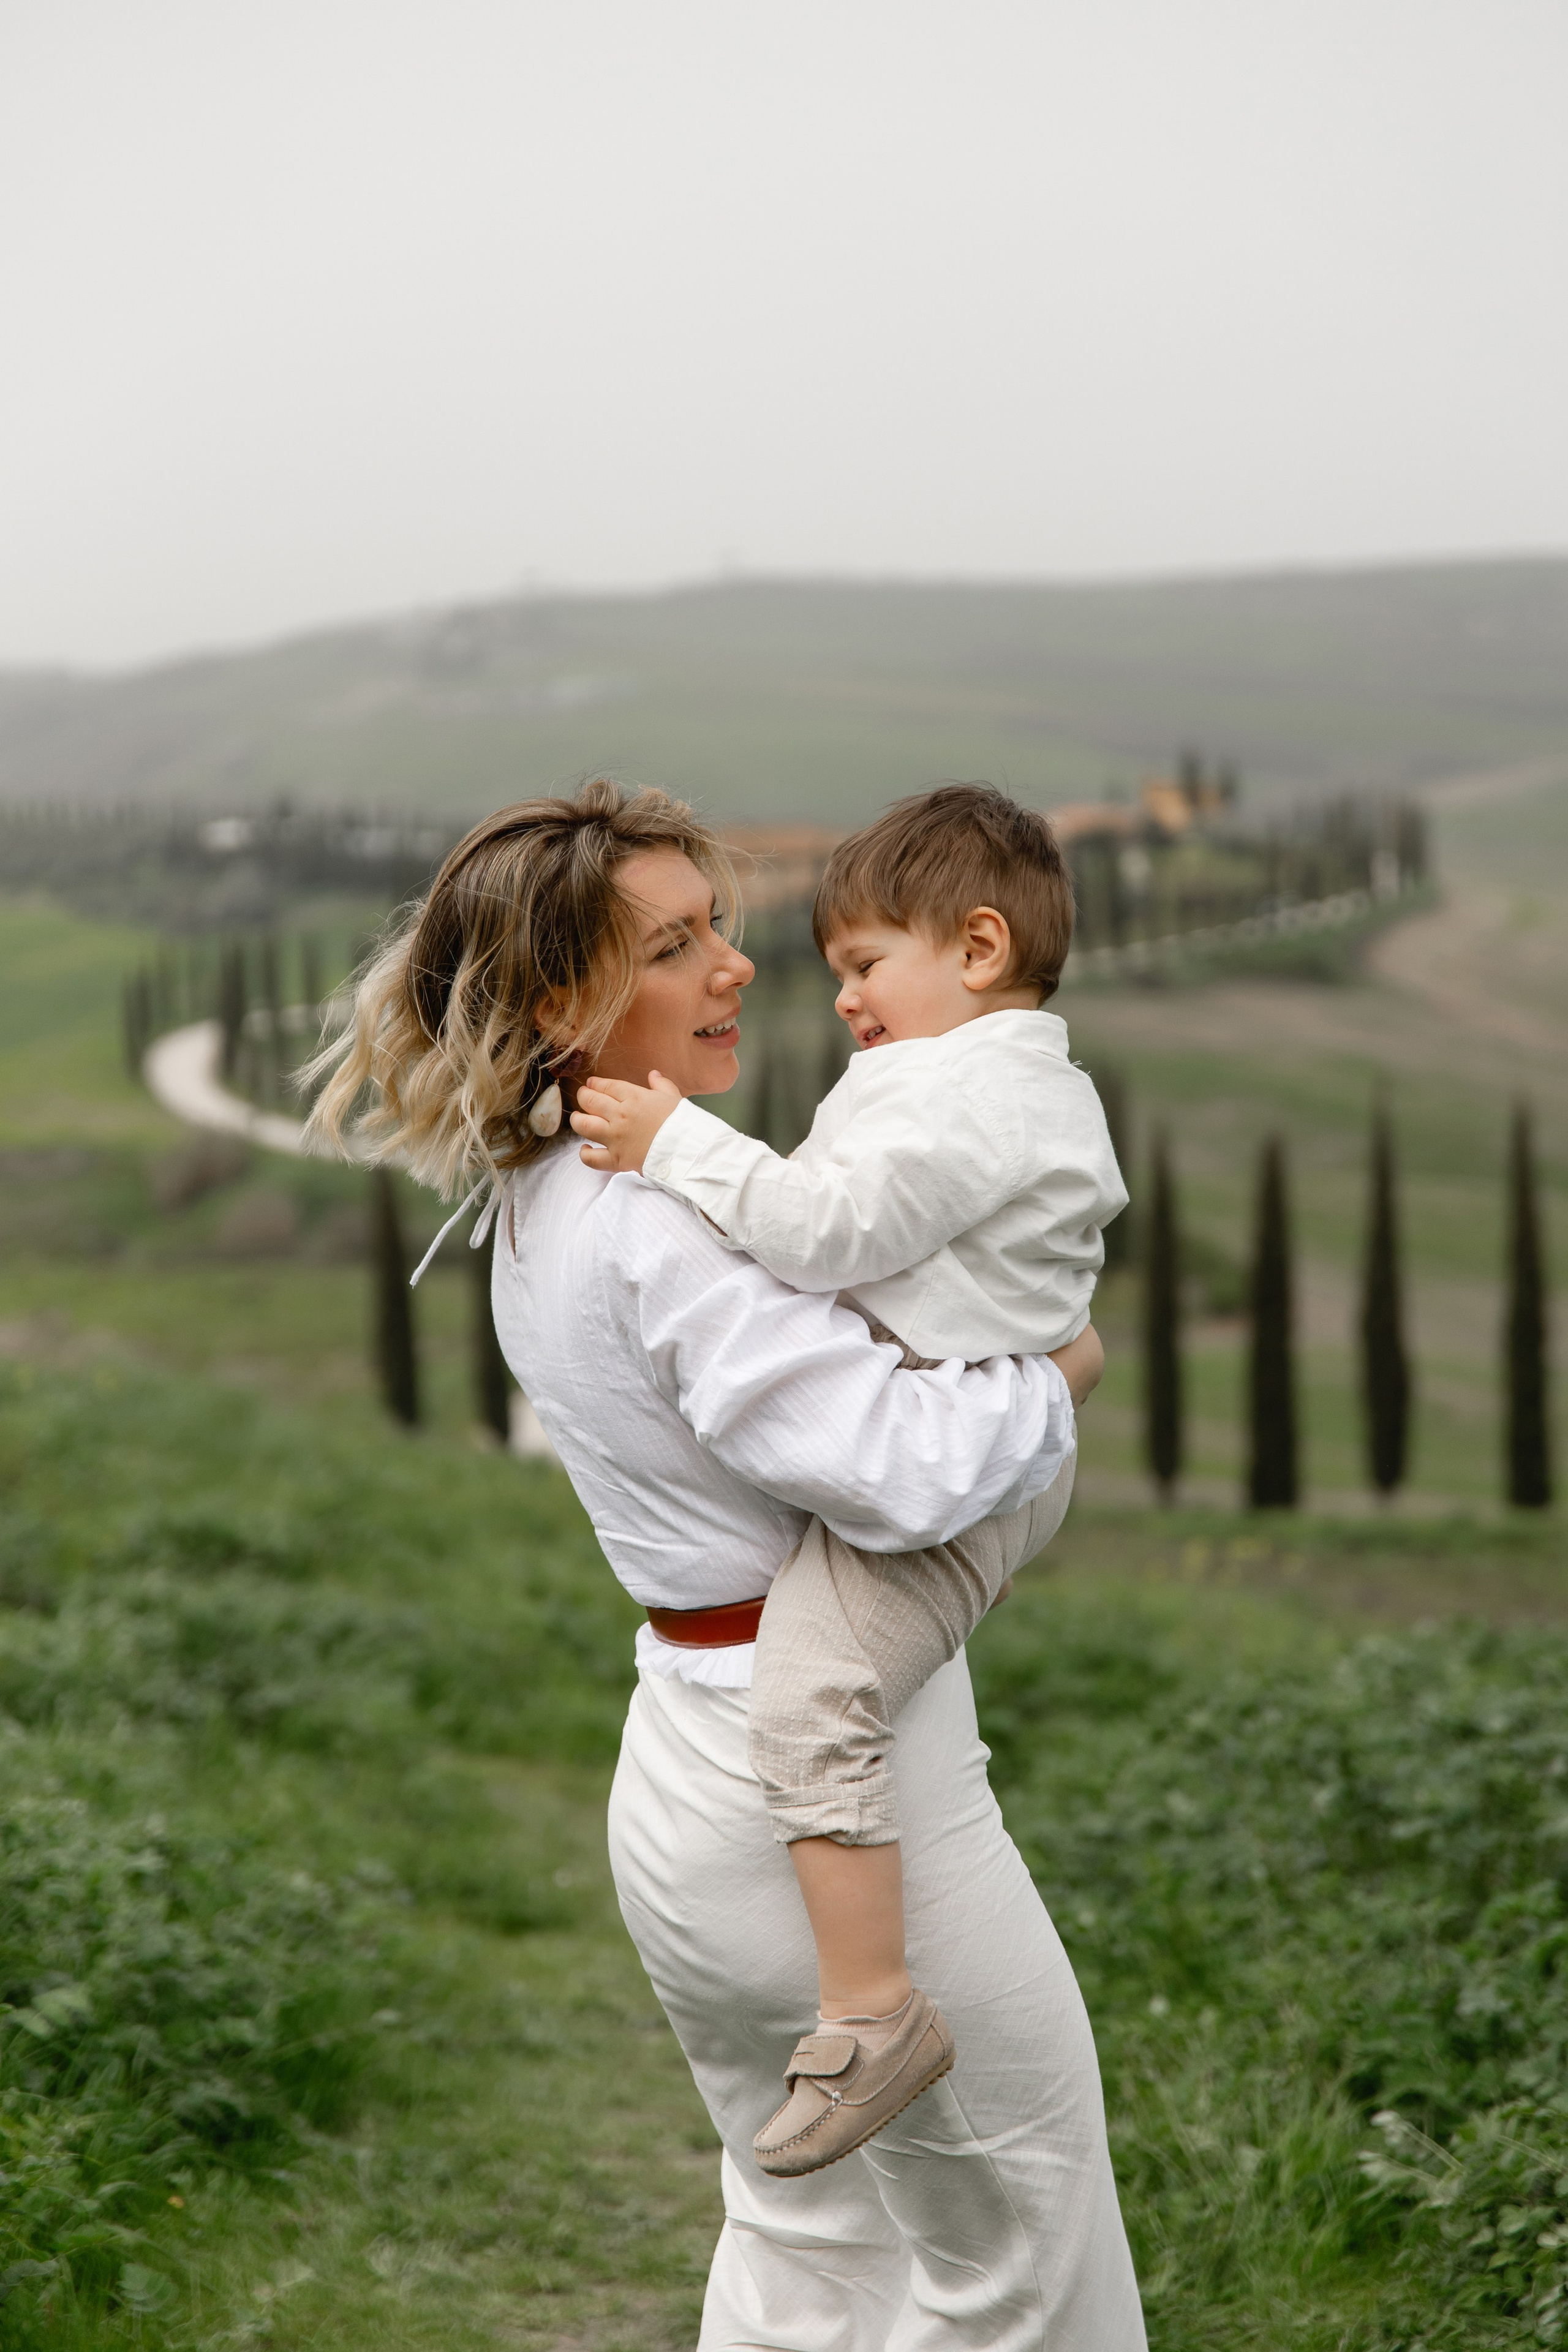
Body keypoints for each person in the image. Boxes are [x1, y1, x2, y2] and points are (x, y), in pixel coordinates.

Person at [306, 778, 1147, 2350]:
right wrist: (1060, 1368)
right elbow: (906, 1475)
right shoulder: (668, 1224)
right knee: (1027, 2250)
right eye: (679, 941)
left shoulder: (548, 1189)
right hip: (827, 1773)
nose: (735, 968)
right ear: (564, 999)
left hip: (689, 1760)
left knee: (806, 2246)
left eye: (716, 928)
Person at [568, 783, 1128, 2176]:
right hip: (977, 1432)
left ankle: (873, 2010)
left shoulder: (974, 1090)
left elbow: (821, 1237)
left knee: (814, 1685)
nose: (844, 1004)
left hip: (972, 1467)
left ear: (979, 949)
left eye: (865, 967)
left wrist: (672, 1144)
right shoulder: (967, 1077)